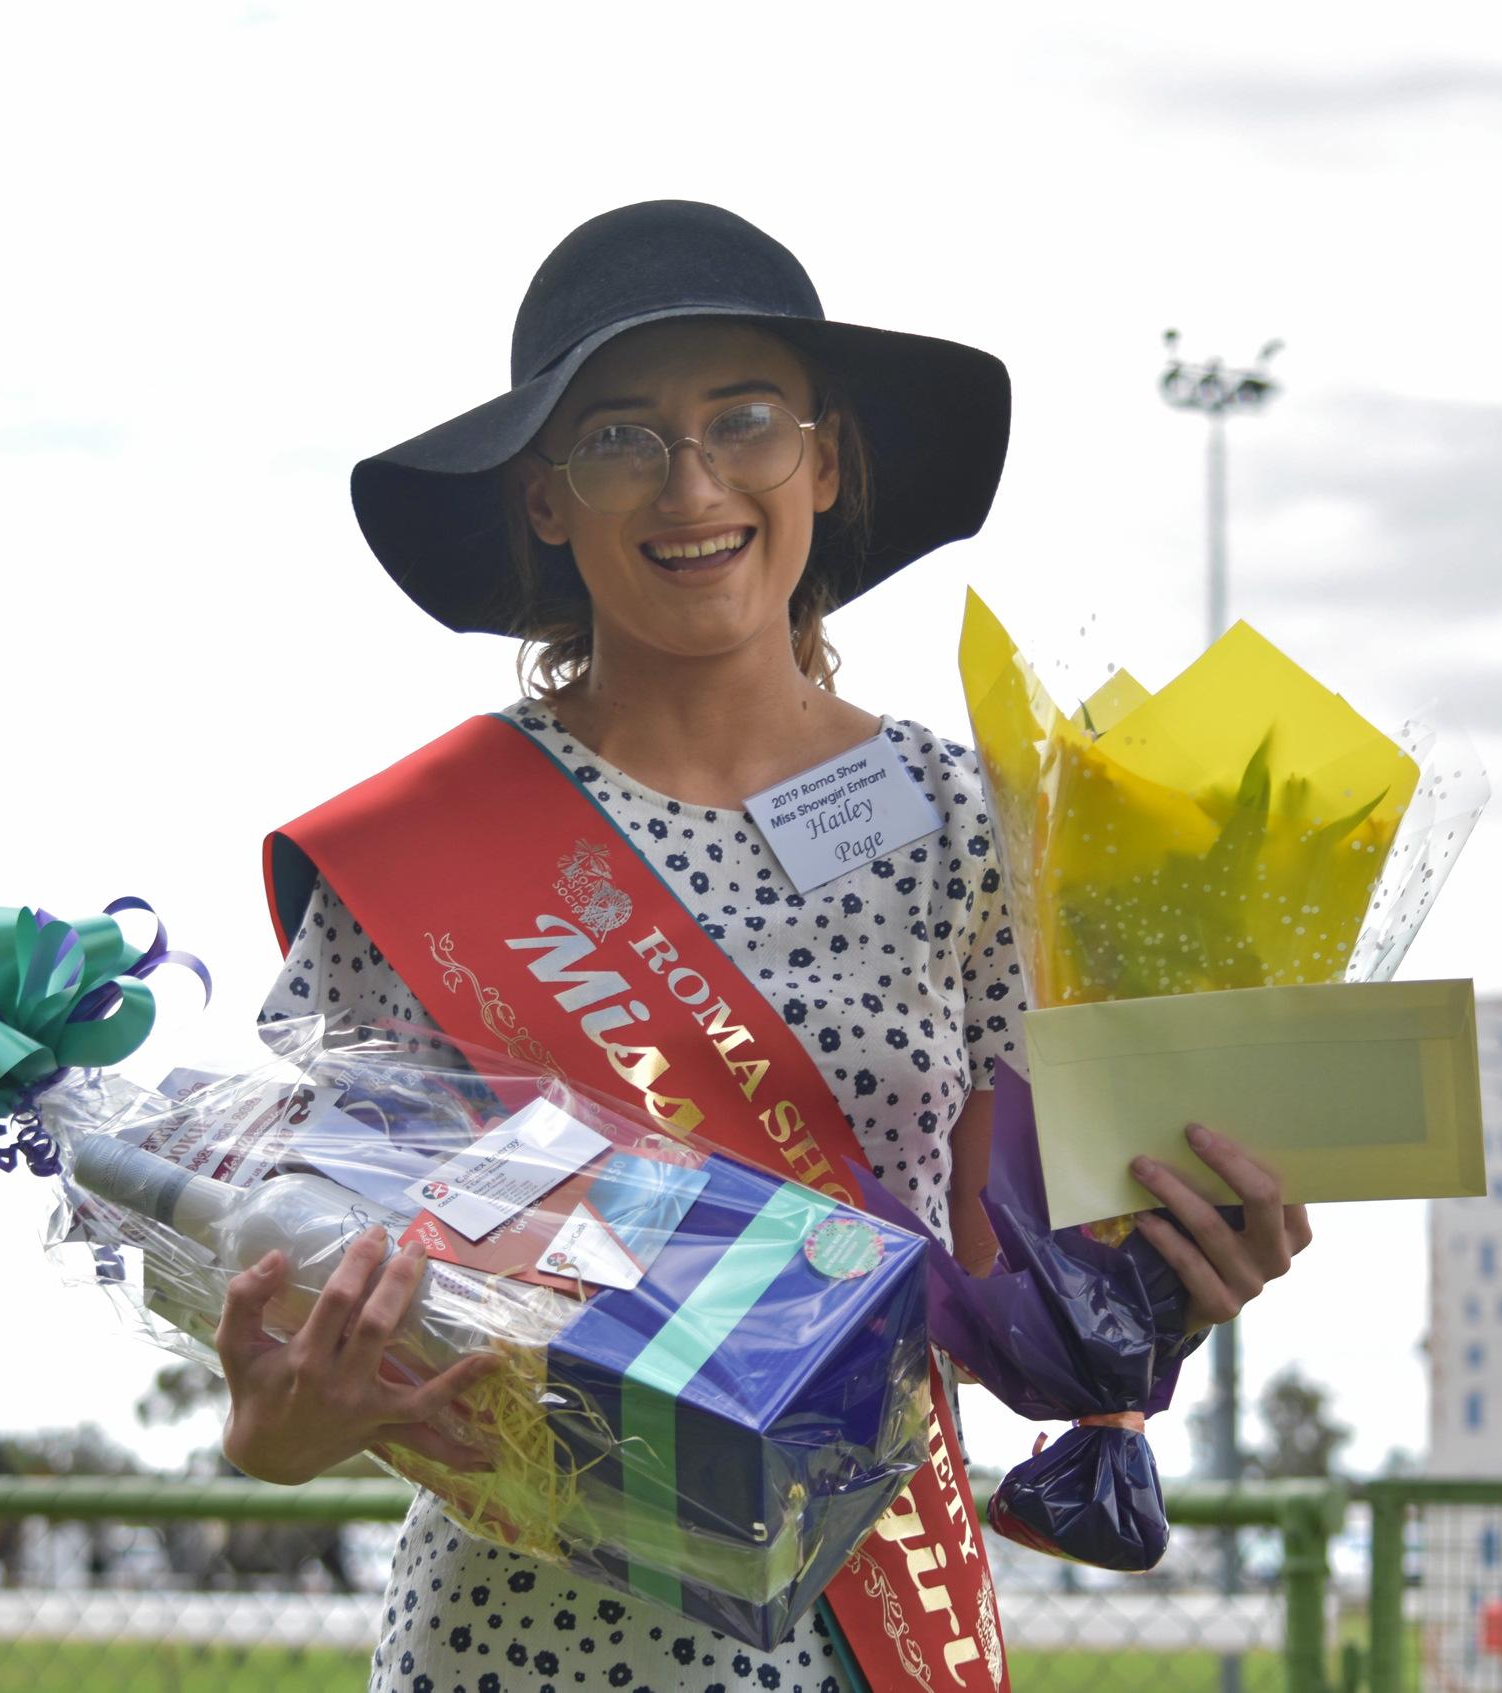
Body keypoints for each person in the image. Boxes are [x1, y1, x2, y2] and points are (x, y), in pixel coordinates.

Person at [221, 201, 1313, 1693]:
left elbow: (1020, 1276)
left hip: (866, 1622)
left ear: (825, 458)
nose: (691, 483)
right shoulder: (422, 853)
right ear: (544, 498)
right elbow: (299, 1247)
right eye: (619, 436)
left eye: (743, 420)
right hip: (517, 1641)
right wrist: (280, 1428)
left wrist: (1172, 1278)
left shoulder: (976, 823)